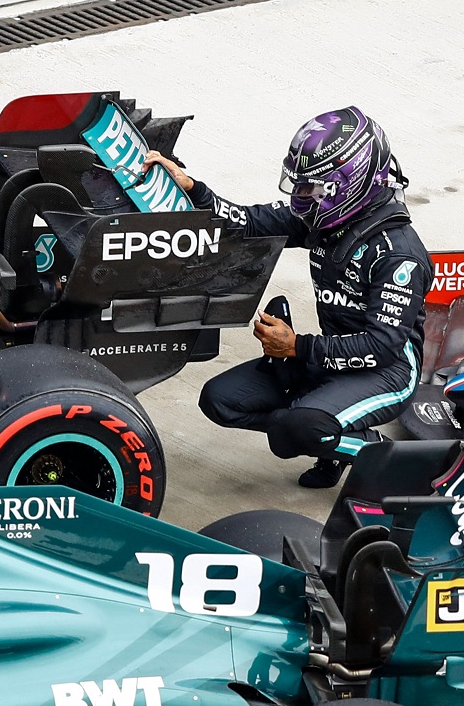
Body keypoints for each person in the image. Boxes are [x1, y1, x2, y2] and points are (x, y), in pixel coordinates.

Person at [143, 106, 432, 488]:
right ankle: (326, 432)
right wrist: (193, 187)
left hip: (387, 371)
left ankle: (375, 452)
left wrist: (296, 346)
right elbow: (247, 223)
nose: (301, 197)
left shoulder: (399, 256)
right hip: (329, 354)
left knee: (292, 428)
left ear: (349, 183)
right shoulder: (323, 217)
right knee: (221, 400)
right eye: (299, 185)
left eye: (311, 188)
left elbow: (382, 346)